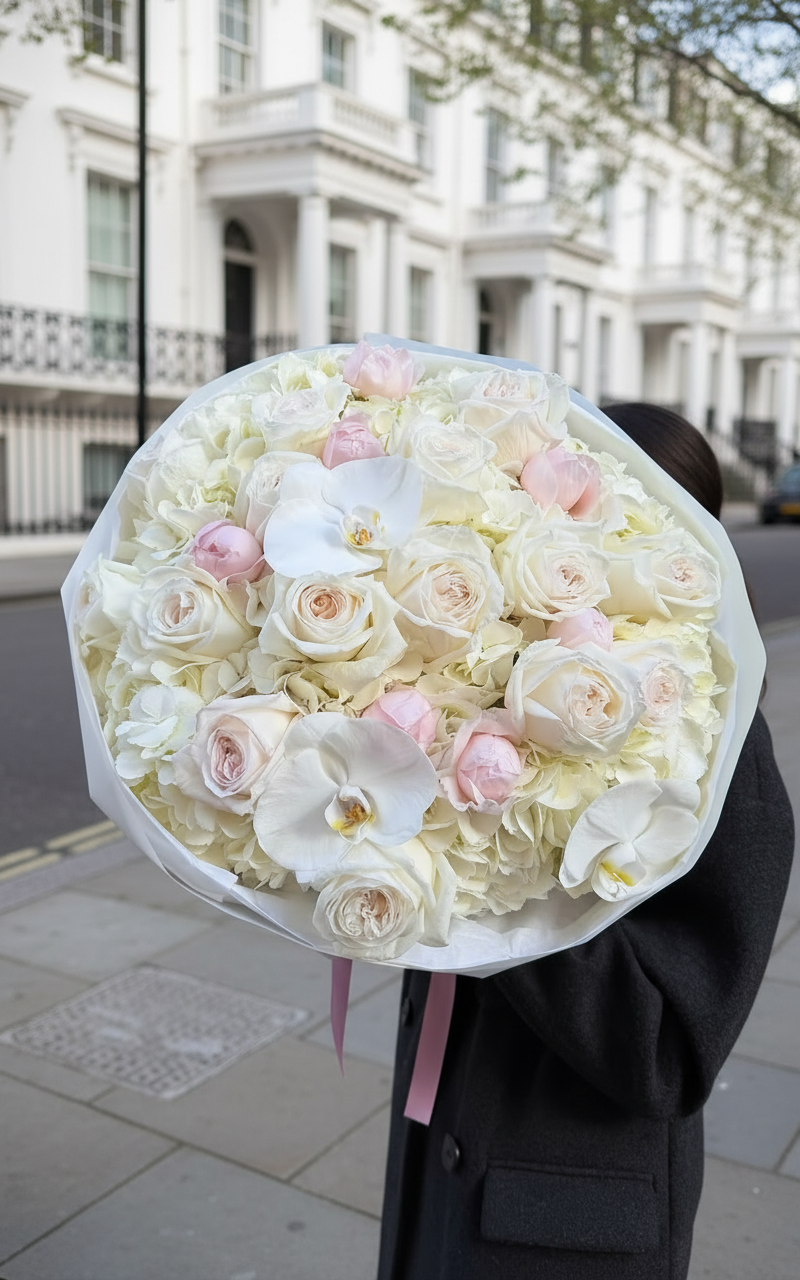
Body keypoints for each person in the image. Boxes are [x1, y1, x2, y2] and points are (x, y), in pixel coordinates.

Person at [377, 403, 795, 1280]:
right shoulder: (505, 684)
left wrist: (486, 864)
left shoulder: (724, 755)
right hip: (442, 1182)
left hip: (568, 1228)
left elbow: (666, 1056)